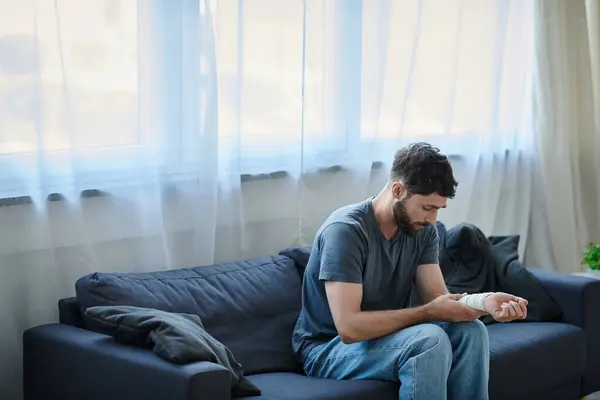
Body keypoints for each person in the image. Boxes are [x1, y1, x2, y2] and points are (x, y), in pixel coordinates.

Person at [291, 142, 528, 400]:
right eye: (428, 207)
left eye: (438, 209)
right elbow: (349, 328)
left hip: (385, 339)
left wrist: (485, 302)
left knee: (472, 332)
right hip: (327, 349)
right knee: (429, 341)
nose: (433, 220)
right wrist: (427, 313)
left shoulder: (422, 230)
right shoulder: (346, 231)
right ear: (398, 190)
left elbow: (439, 301)